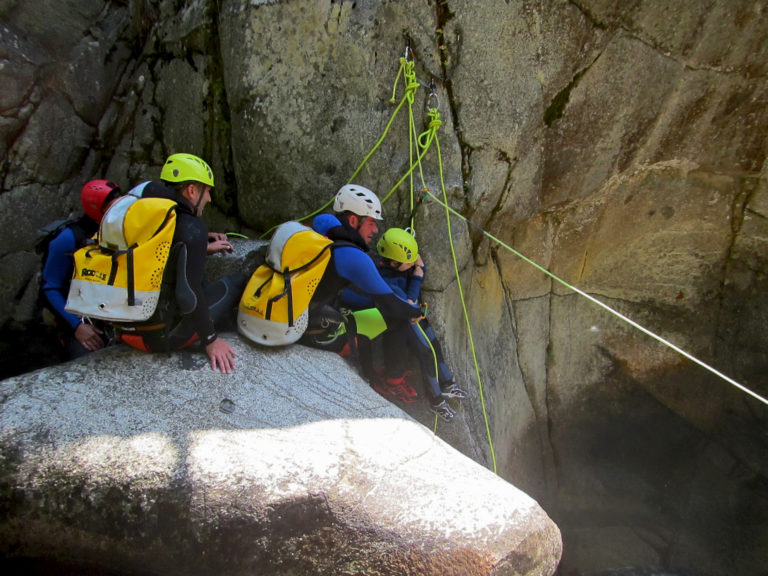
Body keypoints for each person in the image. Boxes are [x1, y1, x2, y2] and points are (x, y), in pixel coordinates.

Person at [115, 153, 245, 374]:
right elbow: (188, 295)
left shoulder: (145, 211)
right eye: (208, 191)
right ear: (192, 190)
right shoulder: (191, 227)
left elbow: (161, 255)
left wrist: (201, 247)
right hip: (160, 337)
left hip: (125, 329)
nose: (209, 200)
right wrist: (211, 340)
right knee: (238, 281)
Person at [301, 184, 423, 371]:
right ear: (353, 220)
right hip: (315, 332)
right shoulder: (351, 256)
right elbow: (391, 303)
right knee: (393, 321)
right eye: (371, 223)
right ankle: (383, 381)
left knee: (369, 315)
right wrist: (417, 311)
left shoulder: (319, 229)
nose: (375, 230)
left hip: (300, 314)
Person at [374, 228, 468, 421]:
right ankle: (436, 401)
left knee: (434, 345)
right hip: (406, 321)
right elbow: (408, 302)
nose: (414, 262)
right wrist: (418, 274)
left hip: (415, 317)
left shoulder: (398, 267)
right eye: (409, 261)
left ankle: (448, 383)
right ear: (394, 262)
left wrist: (417, 266)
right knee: (426, 354)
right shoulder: (386, 281)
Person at [41, 179, 122, 359]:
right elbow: (49, 288)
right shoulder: (68, 238)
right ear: (97, 209)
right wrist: (76, 326)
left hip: (113, 315)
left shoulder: (120, 232)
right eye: (113, 207)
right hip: (80, 321)